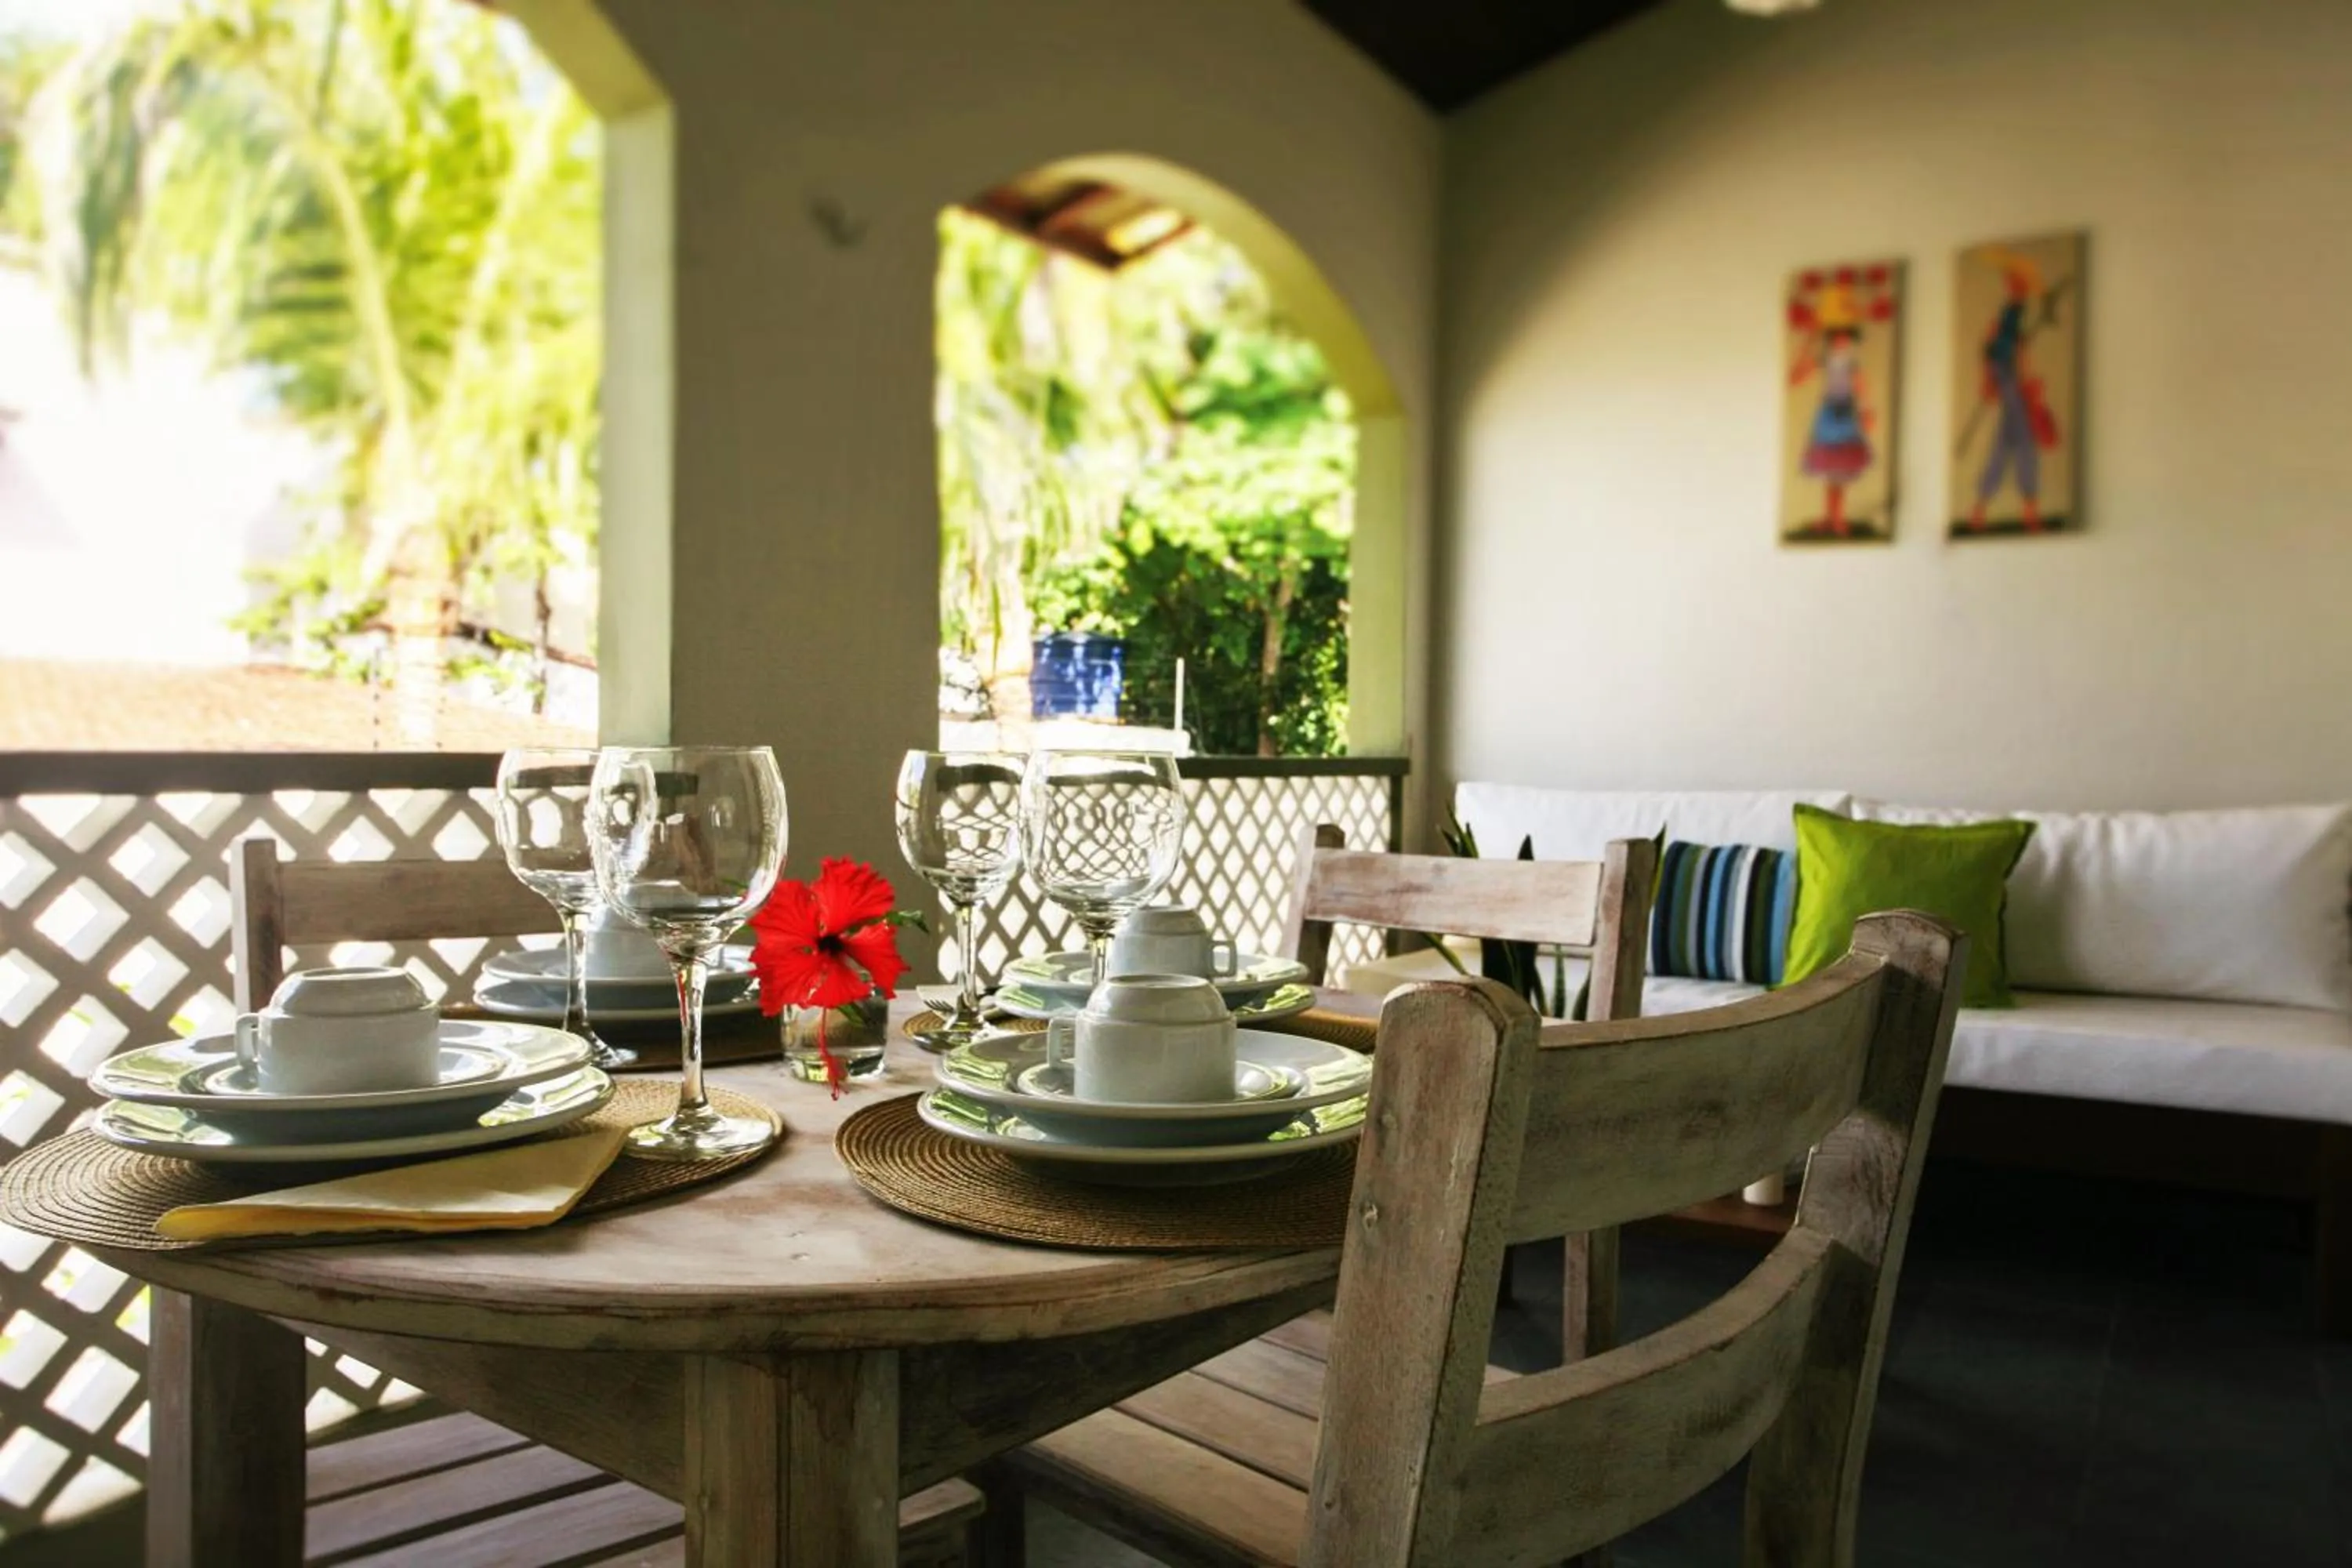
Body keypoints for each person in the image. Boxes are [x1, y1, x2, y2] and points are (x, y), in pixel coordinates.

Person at [1962, 254, 2063, 532]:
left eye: (2018, 282)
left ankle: (1983, 510)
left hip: (2013, 380)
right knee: (2022, 444)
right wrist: (1993, 376)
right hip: (2009, 378)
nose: (2014, 285)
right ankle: (2018, 509)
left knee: (2008, 443)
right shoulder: (2010, 311)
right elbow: (1996, 346)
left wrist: (2021, 372)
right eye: (2013, 282)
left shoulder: (2018, 310)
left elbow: (2015, 349)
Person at [1791, 283, 1875, 536]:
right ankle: (1830, 517)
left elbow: (1861, 386)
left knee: (1841, 472)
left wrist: (1867, 411)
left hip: (1846, 414)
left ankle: (1837, 517)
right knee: (1829, 471)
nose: (1842, 340)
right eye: (1837, 335)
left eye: (1846, 335)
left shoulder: (1852, 362)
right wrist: (1810, 338)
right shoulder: (1825, 359)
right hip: (1828, 415)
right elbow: (1795, 377)